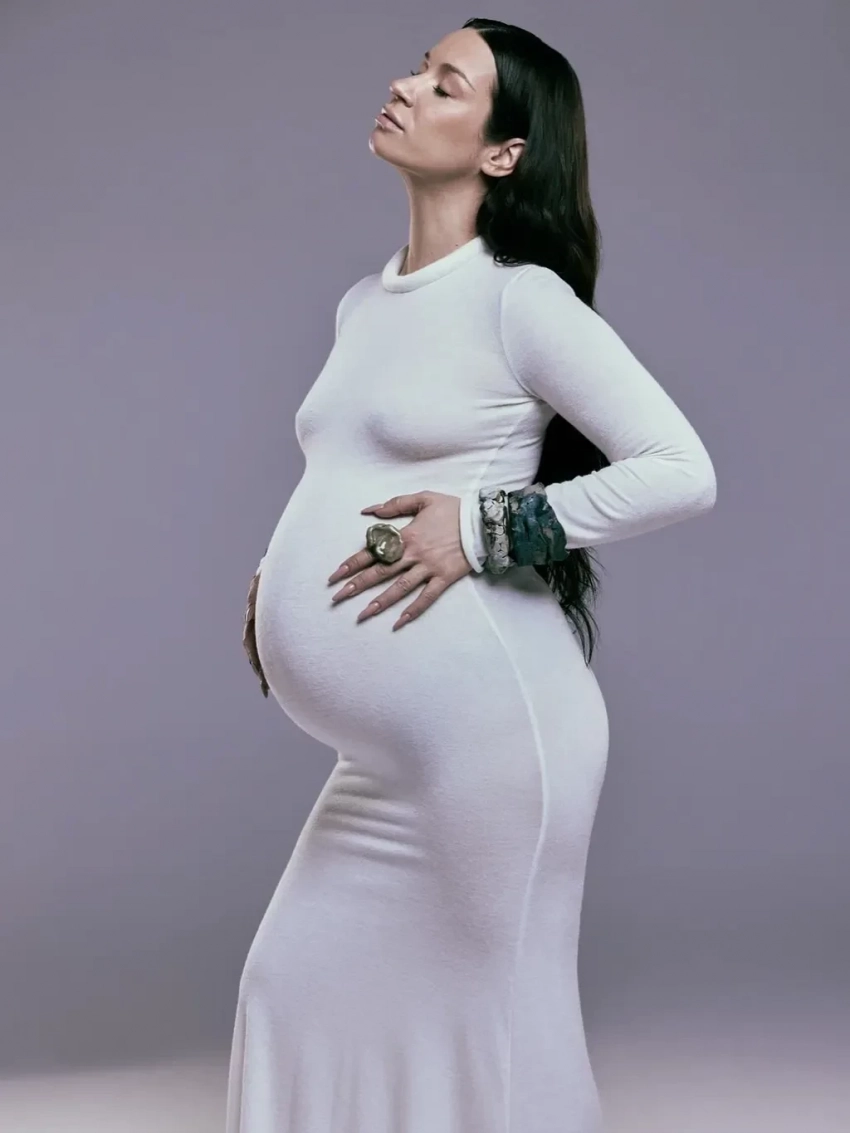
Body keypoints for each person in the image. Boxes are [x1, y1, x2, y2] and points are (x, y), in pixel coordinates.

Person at [229, 18, 717, 1133]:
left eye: (444, 85)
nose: (405, 87)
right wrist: (277, 584)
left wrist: (491, 528)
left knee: (495, 1024)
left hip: (488, 738)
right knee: (289, 987)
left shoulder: (519, 299)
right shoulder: (365, 303)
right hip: (386, 756)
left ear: (503, 152)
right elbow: (351, 465)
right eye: (417, 68)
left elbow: (681, 470)